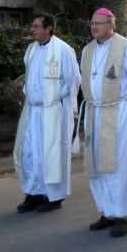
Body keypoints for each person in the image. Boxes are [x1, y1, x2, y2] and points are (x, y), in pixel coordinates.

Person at [80, 7, 127, 237]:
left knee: (119, 165)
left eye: (98, 23)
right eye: (92, 23)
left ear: (112, 24)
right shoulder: (87, 50)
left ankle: (122, 215)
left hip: (120, 113)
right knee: (98, 165)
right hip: (95, 113)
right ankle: (107, 210)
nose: (94, 27)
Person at [14, 13, 81, 213]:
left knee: (52, 153)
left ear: (48, 28)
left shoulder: (63, 50)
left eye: (36, 26)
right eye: (31, 25)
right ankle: (34, 193)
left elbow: (74, 80)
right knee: (30, 153)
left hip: (52, 111)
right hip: (32, 110)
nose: (31, 29)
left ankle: (54, 196)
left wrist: (65, 106)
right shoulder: (31, 49)